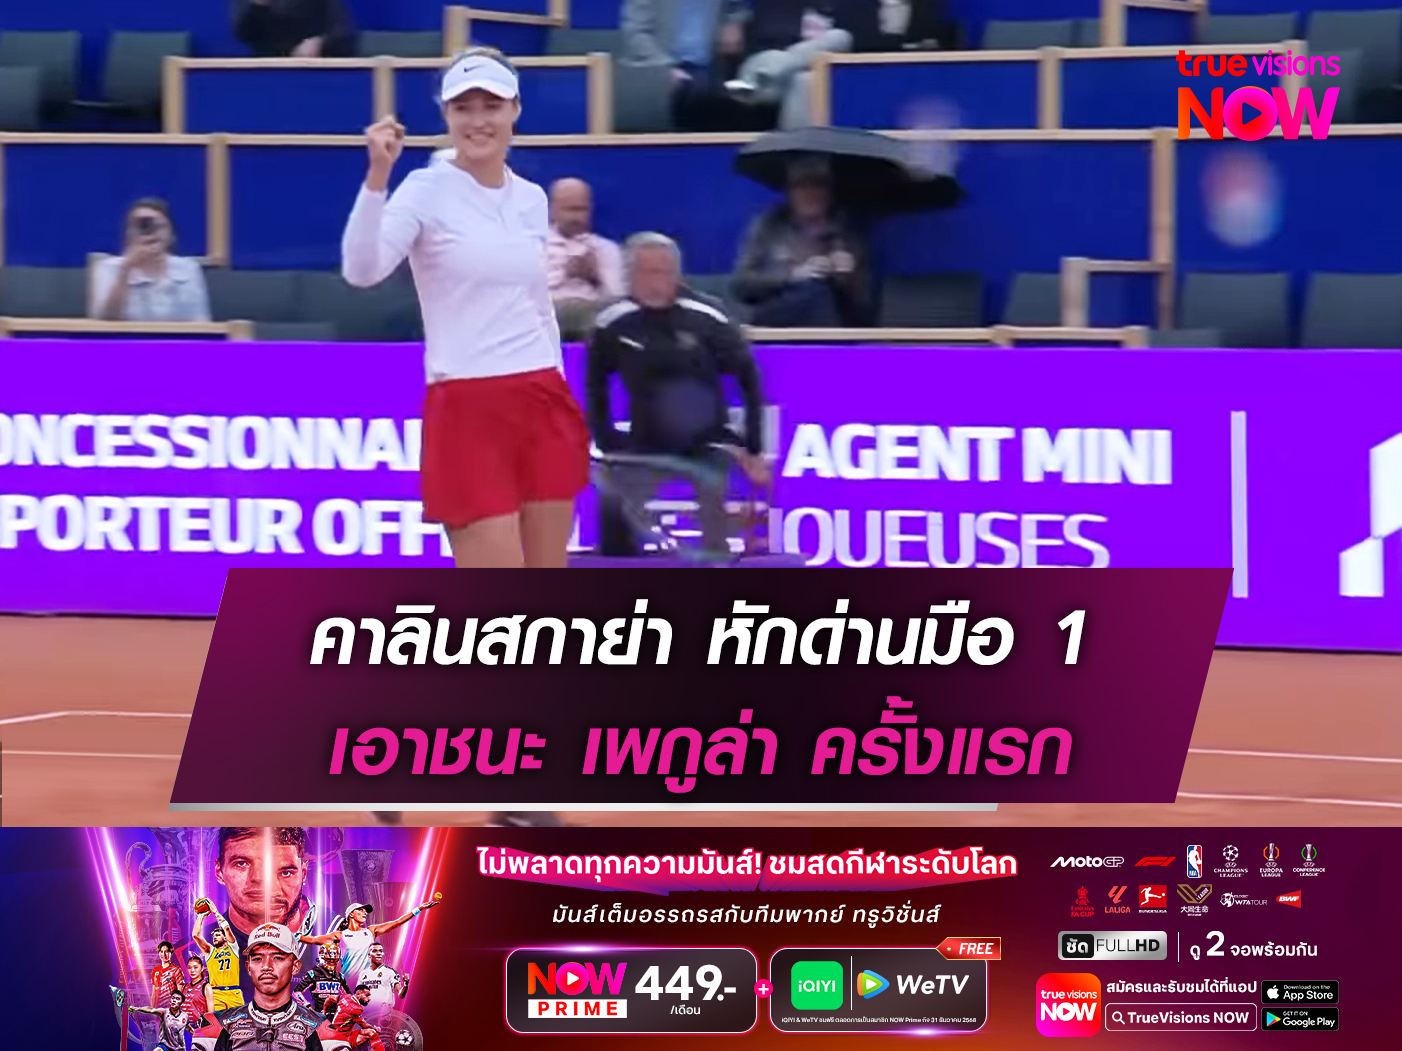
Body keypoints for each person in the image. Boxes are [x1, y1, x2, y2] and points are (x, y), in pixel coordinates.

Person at [342, 48, 591, 569]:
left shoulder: (531, 198)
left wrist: (560, 390)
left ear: (515, 110)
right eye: (463, 108)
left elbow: (537, 306)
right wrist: (377, 177)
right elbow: (362, 271)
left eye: (491, 105)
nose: (478, 120)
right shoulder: (423, 190)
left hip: (542, 396)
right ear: (447, 115)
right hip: (467, 405)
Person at [588, 232, 769, 558]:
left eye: (664, 272)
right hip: (645, 442)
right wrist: (606, 439)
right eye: (647, 273)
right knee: (613, 515)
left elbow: (750, 377)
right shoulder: (612, 323)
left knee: (713, 511)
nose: (656, 282)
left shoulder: (708, 317)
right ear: (631, 276)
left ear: (677, 275)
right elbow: (595, 383)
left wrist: (753, 447)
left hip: (708, 441)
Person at [732, 155, 872, 327]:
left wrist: (849, 277)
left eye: (818, 185)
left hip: (834, 321)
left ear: (830, 192)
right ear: (789, 192)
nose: (810, 193)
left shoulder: (847, 232)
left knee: (821, 293)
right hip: (777, 320)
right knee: (813, 291)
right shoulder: (769, 227)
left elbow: (865, 304)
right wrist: (793, 275)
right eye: (801, 186)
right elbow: (742, 285)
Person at [621, 0, 773, 131]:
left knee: (758, 105)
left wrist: (734, 23)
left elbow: (736, 9)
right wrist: (664, 69)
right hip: (662, 74)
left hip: (710, 75)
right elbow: (635, 33)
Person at [212, 828, 316, 1002]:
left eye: (285, 872)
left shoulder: (339, 938)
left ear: (303, 874)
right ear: (219, 871)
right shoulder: (189, 951)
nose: (262, 880)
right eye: (241, 863)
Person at [194, 923, 329, 1051]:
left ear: (295, 966)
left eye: (277, 958)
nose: (266, 967)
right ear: (248, 967)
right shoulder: (216, 1025)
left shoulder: (320, 1026)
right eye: (258, 958)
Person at [724, 1, 854, 128]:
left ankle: (773, 69)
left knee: (838, 38)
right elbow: (733, 42)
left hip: (771, 76)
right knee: (781, 63)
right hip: (762, 64)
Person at [89, 198, 211, 323]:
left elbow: (201, 322)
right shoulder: (108, 268)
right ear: (128, 234)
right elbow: (103, 320)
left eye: (156, 226)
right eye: (141, 225)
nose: (149, 232)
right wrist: (125, 270)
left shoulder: (189, 269)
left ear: (172, 234)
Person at [546, 177, 625, 341]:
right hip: (546, 315)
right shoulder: (532, 247)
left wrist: (594, 277)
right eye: (569, 210)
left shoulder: (607, 249)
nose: (576, 217)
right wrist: (564, 272)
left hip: (593, 318)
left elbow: (619, 300)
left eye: (581, 210)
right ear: (553, 210)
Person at [300, 899, 440, 989]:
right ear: (351, 914)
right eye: (360, 910)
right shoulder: (340, 935)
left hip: (369, 986)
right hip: (348, 985)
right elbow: (312, 940)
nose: (364, 913)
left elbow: (397, 923)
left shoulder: (371, 931)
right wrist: (294, 936)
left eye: (365, 911)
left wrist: (419, 909)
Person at [232, 0, 356, 58]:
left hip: (315, 67)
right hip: (268, 68)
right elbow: (243, 34)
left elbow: (344, 29)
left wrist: (320, 43)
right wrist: (257, 7)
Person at [193, 899, 246, 1011]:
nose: (215, 937)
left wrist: (215, 912)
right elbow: (195, 935)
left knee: (239, 1022)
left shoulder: (233, 947)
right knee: (217, 1021)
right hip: (216, 993)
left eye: (217, 935)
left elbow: (226, 928)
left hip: (234, 993)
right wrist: (201, 916)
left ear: (225, 938)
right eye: (213, 936)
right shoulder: (210, 951)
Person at [354, 941, 409, 1025]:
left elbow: (401, 994)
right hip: (366, 1018)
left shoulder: (390, 972)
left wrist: (405, 984)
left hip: (384, 1018)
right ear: (369, 955)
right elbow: (357, 996)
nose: (379, 953)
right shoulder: (363, 973)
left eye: (381, 951)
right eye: (375, 951)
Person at [296, 942, 352, 1017]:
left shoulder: (339, 976)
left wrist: (345, 1008)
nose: (332, 962)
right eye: (329, 959)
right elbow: (296, 992)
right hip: (319, 1015)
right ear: (321, 957)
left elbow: (348, 996)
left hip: (336, 1016)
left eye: (334, 960)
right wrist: (307, 1006)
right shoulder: (313, 974)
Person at [328, 985, 386, 1051]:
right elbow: (364, 1025)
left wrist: (324, 1011)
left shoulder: (346, 997)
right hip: (341, 1039)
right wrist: (375, 1029)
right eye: (367, 995)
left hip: (337, 1034)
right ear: (358, 994)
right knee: (371, 1032)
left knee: (369, 1032)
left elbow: (329, 998)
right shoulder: (356, 1009)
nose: (369, 998)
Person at [182, 953, 214, 1030]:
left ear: (202, 968)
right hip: (184, 1029)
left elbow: (211, 1014)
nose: (192, 970)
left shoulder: (206, 986)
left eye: (195, 967)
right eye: (189, 968)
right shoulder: (185, 987)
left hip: (199, 1029)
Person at [151, 941, 184, 1010]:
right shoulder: (155, 970)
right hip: (158, 1009)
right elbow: (154, 993)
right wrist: (152, 1009)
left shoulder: (177, 970)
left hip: (170, 1009)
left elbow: (180, 993)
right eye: (161, 951)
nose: (164, 954)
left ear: (171, 952)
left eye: (166, 951)